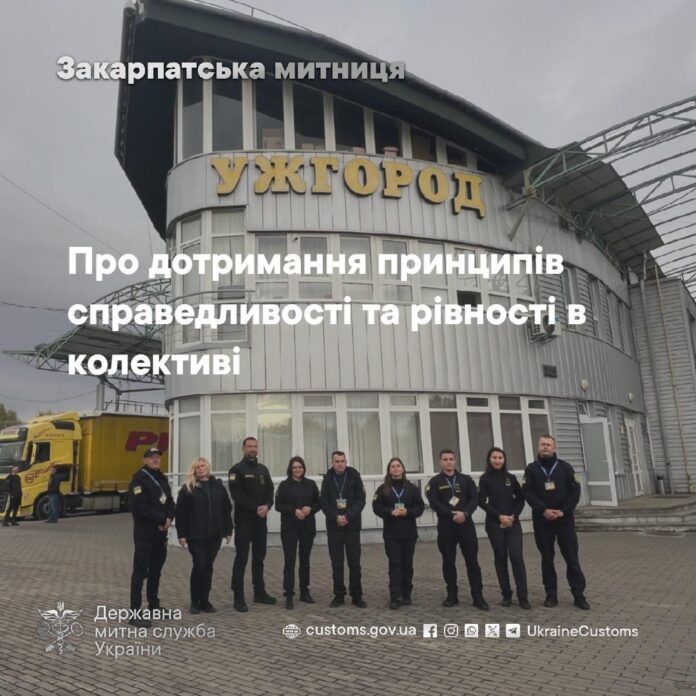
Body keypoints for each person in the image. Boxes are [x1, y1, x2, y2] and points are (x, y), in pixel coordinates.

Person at [523, 434, 590, 610]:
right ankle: (551, 595)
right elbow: (528, 492)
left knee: (572, 558)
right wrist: (543, 510)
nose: (545, 447)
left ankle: (579, 595)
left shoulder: (565, 467)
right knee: (547, 559)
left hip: (564, 520)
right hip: (542, 521)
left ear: (554, 448)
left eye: (548, 444)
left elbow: (575, 491)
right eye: (542, 444)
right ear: (538, 447)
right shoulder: (531, 469)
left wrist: (563, 511)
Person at [426, 449, 489, 610]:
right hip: (446, 526)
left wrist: (465, 514)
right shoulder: (435, 482)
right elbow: (434, 503)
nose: (448, 462)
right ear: (440, 462)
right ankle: (452, 595)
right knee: (448, 561)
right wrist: (451, 514)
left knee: (472, 561)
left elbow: (474, 499)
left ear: (455, 461)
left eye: (451, 459)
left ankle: (478, 596)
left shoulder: (466, 479)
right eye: (445, 459)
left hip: (466, 525)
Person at [175, 457, 233, 614]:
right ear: (194, 470)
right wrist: (181, 534)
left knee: (208, 567)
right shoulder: (188, 489)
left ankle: (205, 601)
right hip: (196, 536)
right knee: (199, 566)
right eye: (197, 467)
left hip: (214, 535)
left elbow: (226, 509)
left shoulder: (218, 487)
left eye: (202, 465)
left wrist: (228, 530)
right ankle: (195, 601)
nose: (200, 468)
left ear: (207, 467)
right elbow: (180, 513)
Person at [128, 446, 175, 628]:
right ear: (145, 460)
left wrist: (169, 518)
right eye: (152, 457)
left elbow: (170, 502)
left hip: (160, 534)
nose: (156, 460)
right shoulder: (139, 479)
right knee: (140, 572)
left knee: (156, 571)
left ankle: (154, 605)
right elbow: (139, 507)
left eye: (158, 457)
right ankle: (134, 613)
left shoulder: (162, 478)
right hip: (145, 534)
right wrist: (162, 519)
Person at [478, 447, 530, 609]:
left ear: (504, 459)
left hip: (513, 523)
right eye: (494, 457)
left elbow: (520, 499)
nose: (497, 460)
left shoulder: (511, 478)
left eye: (500, 457)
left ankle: (523, 596)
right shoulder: (485, 479)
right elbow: (482, 501)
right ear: (489, 459)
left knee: (516, 558)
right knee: (500, 558)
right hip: (495, 524)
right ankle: (506, 595)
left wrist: (513, 515)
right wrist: (499, 516)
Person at [228, 436, 276, 612]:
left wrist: (268, 506)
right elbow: (237, 496)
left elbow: (270, 491)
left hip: (260, 521)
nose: (253, 449)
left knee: (259, 557)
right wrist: (256, 508)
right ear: (243, 448)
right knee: (241, 558)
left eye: (255, 446)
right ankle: (238, 596)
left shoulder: (263, 469)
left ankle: (259, 592)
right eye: (249, 446)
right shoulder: (236, 470)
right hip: (244, 521)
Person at [372, 457, 424, 609]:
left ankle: (406, 594)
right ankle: (395, 596)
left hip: (409, 533)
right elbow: (376, 507)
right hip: (391, 534)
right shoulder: (383, 489)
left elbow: (420, 507)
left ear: (403, 469)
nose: (395, 468)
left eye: (398, 466)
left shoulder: (412, 488)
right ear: (389, 470)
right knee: (395, 564)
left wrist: (407, 512)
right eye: (392, 466)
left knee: (407, 565)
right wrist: (390, 512)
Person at [320, 450, 366, 608]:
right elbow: (324, 501)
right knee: (337, 563)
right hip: (334, 527)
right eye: (337, 461)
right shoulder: (327, 478)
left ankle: (357, 595)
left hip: (352, 526)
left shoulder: (354, 476)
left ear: (346, 462)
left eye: (342, 461)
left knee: (354, 563)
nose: (340, 464)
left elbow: (361, 500)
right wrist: (335, 517)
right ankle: (339, 595)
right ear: (332, 462)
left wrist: (348, 516)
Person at [275, 456, 321, 609]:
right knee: (290, 560)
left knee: (305, 559)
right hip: (289, 528)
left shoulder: (311, 484)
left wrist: (311, 509)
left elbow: (319, 503)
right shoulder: (284, 485)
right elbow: (278, 505)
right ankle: (288, 594)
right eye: (294, 467)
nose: (297, 469)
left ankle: (304, 591)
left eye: (300, 467)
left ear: (304, 468)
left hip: (307, 527)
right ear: (290, 469)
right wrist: (294, 511)